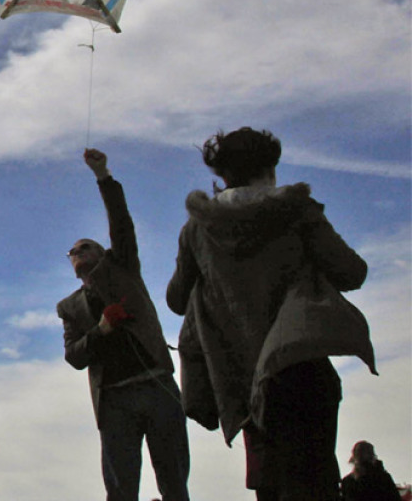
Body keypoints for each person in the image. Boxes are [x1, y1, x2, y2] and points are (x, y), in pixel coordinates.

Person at [167, 127, 373, 501]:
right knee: (314, 483)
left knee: (271, 486)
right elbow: (351, 272)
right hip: (302, 367)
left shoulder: (198, 229)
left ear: (222, 174)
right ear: (269, 167)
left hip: (245, 382)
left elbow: (176, 299)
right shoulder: (297, 212)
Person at [56, 149, 190, 501]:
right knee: (120, 490)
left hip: (157, 386)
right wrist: (101, 329)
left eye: (85, 246)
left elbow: (121, 223)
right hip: (114, 401)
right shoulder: (69, 307)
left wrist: (103, 176)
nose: (77, 251)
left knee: (174, 482)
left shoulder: (124, 269)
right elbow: (74, 356)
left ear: (103, 254)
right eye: (72, 251)